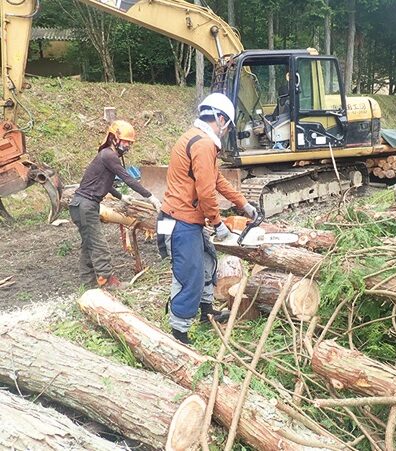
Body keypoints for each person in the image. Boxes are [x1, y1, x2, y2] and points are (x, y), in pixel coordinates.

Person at [157, 92, 258, 345]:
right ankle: (179, 332)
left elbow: (216, 180)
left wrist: (242, 204)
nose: (227, 130)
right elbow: (205, 191)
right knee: (188, 274)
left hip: (190, 219)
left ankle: (206, 312)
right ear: (221, 119)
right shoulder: (202, 143)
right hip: (181, 221)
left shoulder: (199, 139)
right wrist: (217, 223)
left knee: (207, 262)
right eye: (228, 125)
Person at [69, 120, 162, 289]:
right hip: (85, 205)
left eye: (130, 143)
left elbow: (103, 181)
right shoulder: (109, 155)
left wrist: (120, 196)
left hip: (82, 205)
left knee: (88, 245)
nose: (127, 146)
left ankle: (88, 283)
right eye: (125, 141)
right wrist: (150, 197)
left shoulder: (105, 155)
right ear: (113, 138)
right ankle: (108, 282)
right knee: (98, 245)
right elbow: (128, 178)